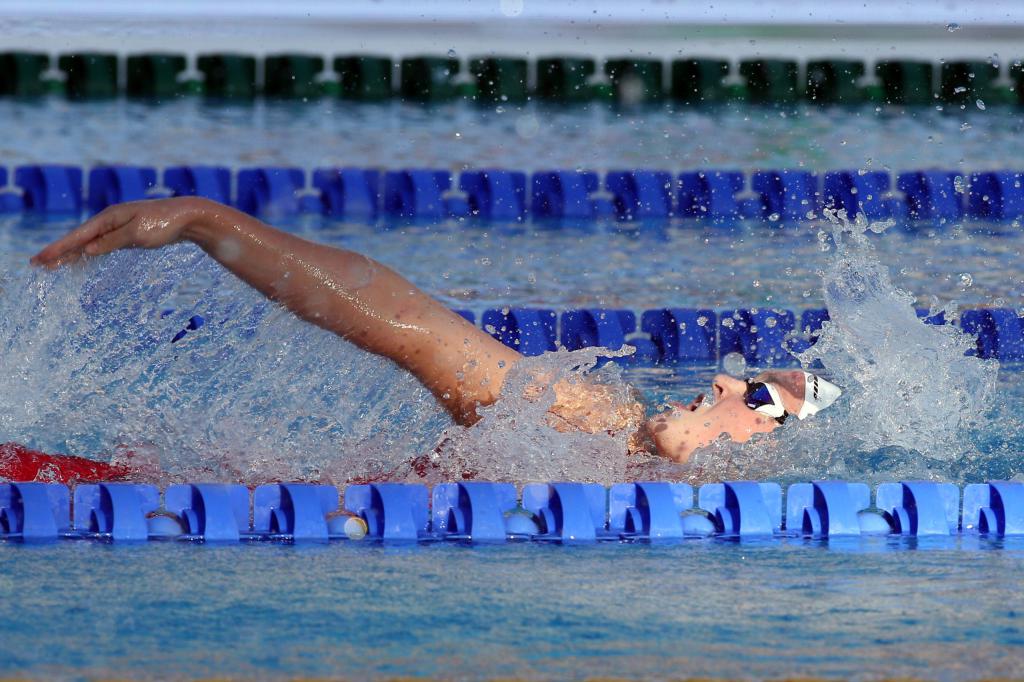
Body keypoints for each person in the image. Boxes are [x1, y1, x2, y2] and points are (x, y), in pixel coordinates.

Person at [15, 197, 840, 483]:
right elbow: (411, 326)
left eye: (758, 394)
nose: (724, 383)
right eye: (743, 378)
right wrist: (205, 221)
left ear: (778, 444)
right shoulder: (595, 420)